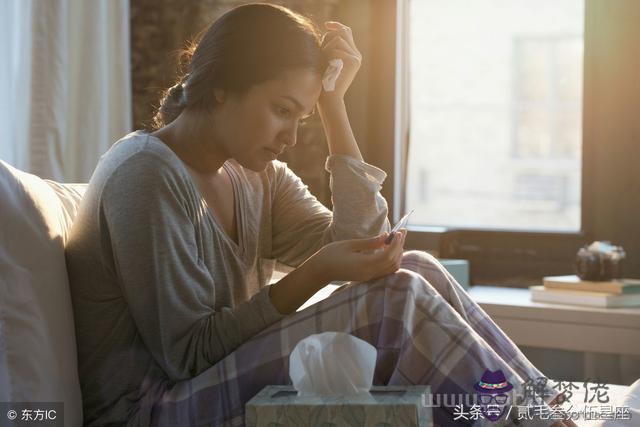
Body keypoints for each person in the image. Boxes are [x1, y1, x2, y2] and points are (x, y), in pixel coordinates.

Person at [66, 3, 575, 426]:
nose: (290, 137)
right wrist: (316, 273)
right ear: (221, 85)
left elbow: (366, 243)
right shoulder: (145, 176)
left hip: (201, 384)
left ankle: (548, 413)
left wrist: (334, 105)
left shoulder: (253, 174)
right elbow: (187, 356)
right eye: (281, 110)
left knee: (418, 267)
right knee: (398, 303)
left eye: (301, 118)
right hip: (150, 410)